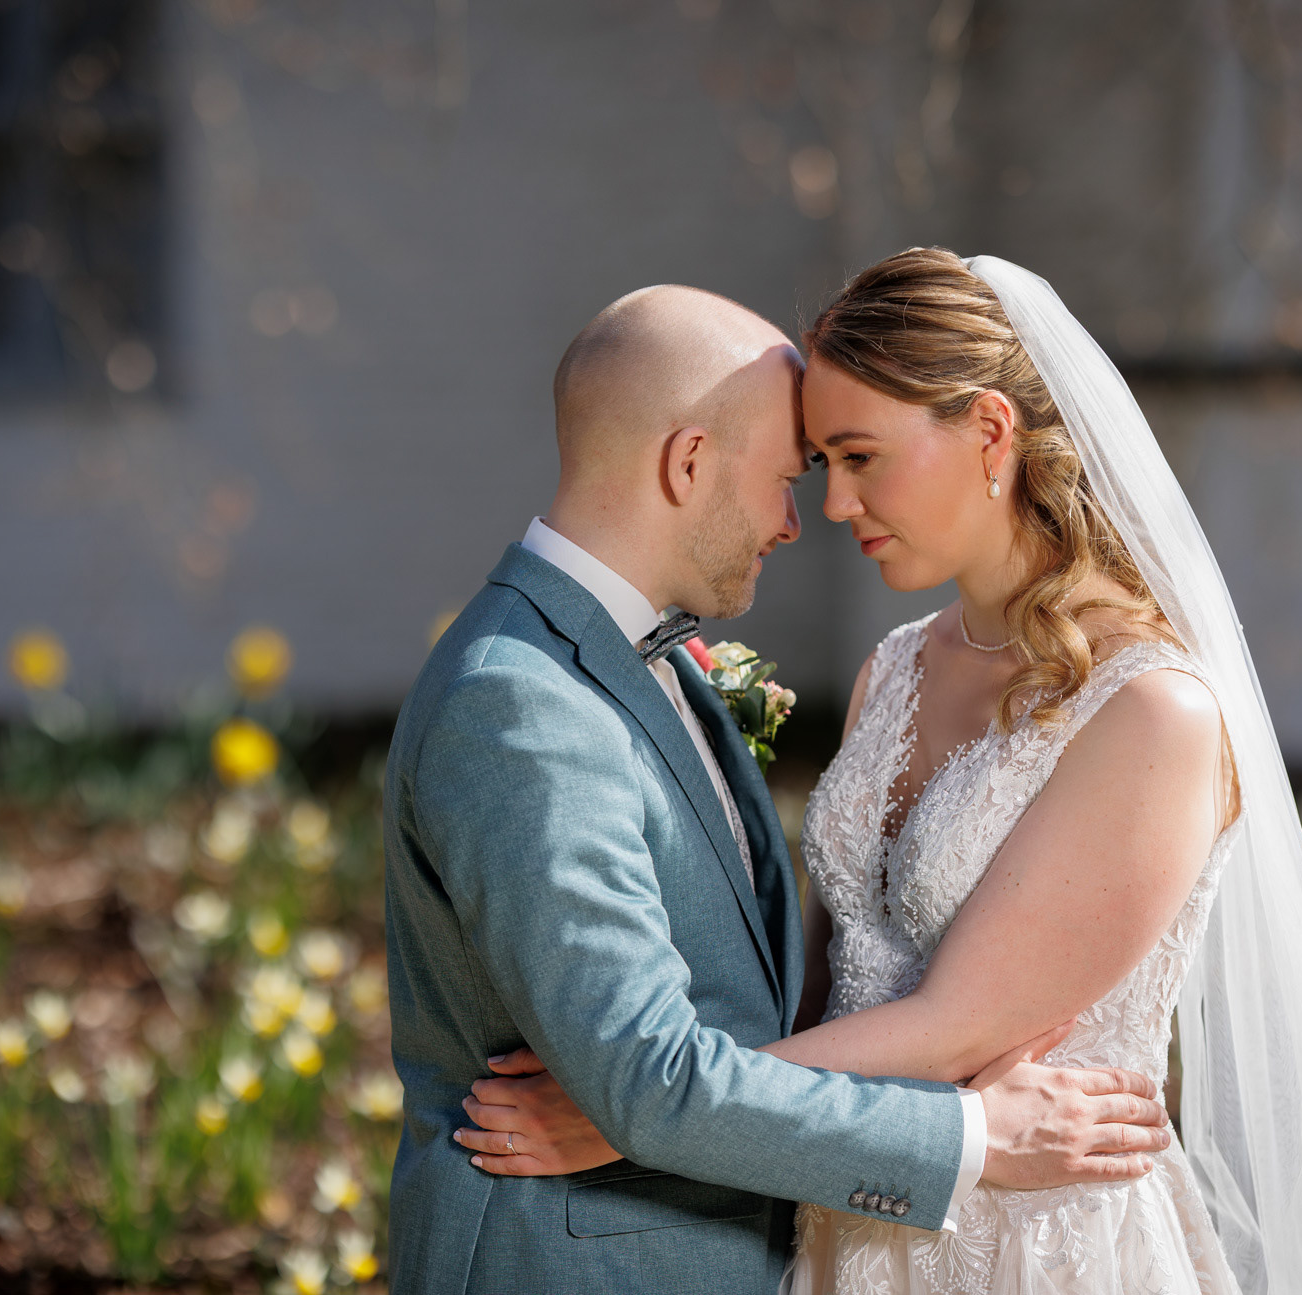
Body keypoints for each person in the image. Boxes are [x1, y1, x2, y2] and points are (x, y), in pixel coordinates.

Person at [456, 252, 1302, 1294]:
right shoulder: (894, 668)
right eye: (821, 463)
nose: (836, 503)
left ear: (990, 433)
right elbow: (821, 989)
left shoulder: (1151, 711)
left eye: (861, 455)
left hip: (1034, 1236)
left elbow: (958, 1025)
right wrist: (674, 1095)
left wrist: (632, 1116)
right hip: (843, 1211)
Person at [383, 281, 1177, 1294]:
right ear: (687, 463)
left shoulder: (642, 665)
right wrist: (973, 1134)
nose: (813, 517)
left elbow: (746, 1022)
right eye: (794, 474)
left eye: (853, 461)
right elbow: (650, 1082)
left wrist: (642, 1107)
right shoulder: (525, 703)